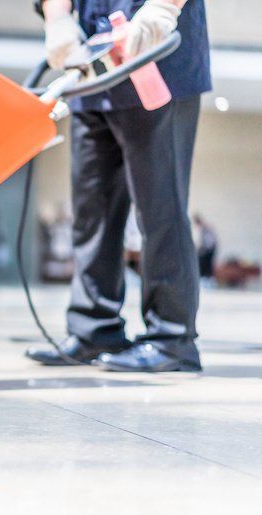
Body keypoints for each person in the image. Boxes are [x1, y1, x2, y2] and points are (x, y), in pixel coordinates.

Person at [26, 0, 211, 372]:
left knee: (160, 211)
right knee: (91, 212)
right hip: (92, 67)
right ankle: (94, 329)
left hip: (157, 59)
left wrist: (163, 6)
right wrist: (58, 17)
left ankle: (171, 339)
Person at [193, 214, 218, 280]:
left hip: (209, 249)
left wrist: (202, 249)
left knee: (207, 264)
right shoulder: (201, 228)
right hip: (206, 249)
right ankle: (205, 278)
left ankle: (209, 278)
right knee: (203, 264)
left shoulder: (206, 228)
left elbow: (208, 241)